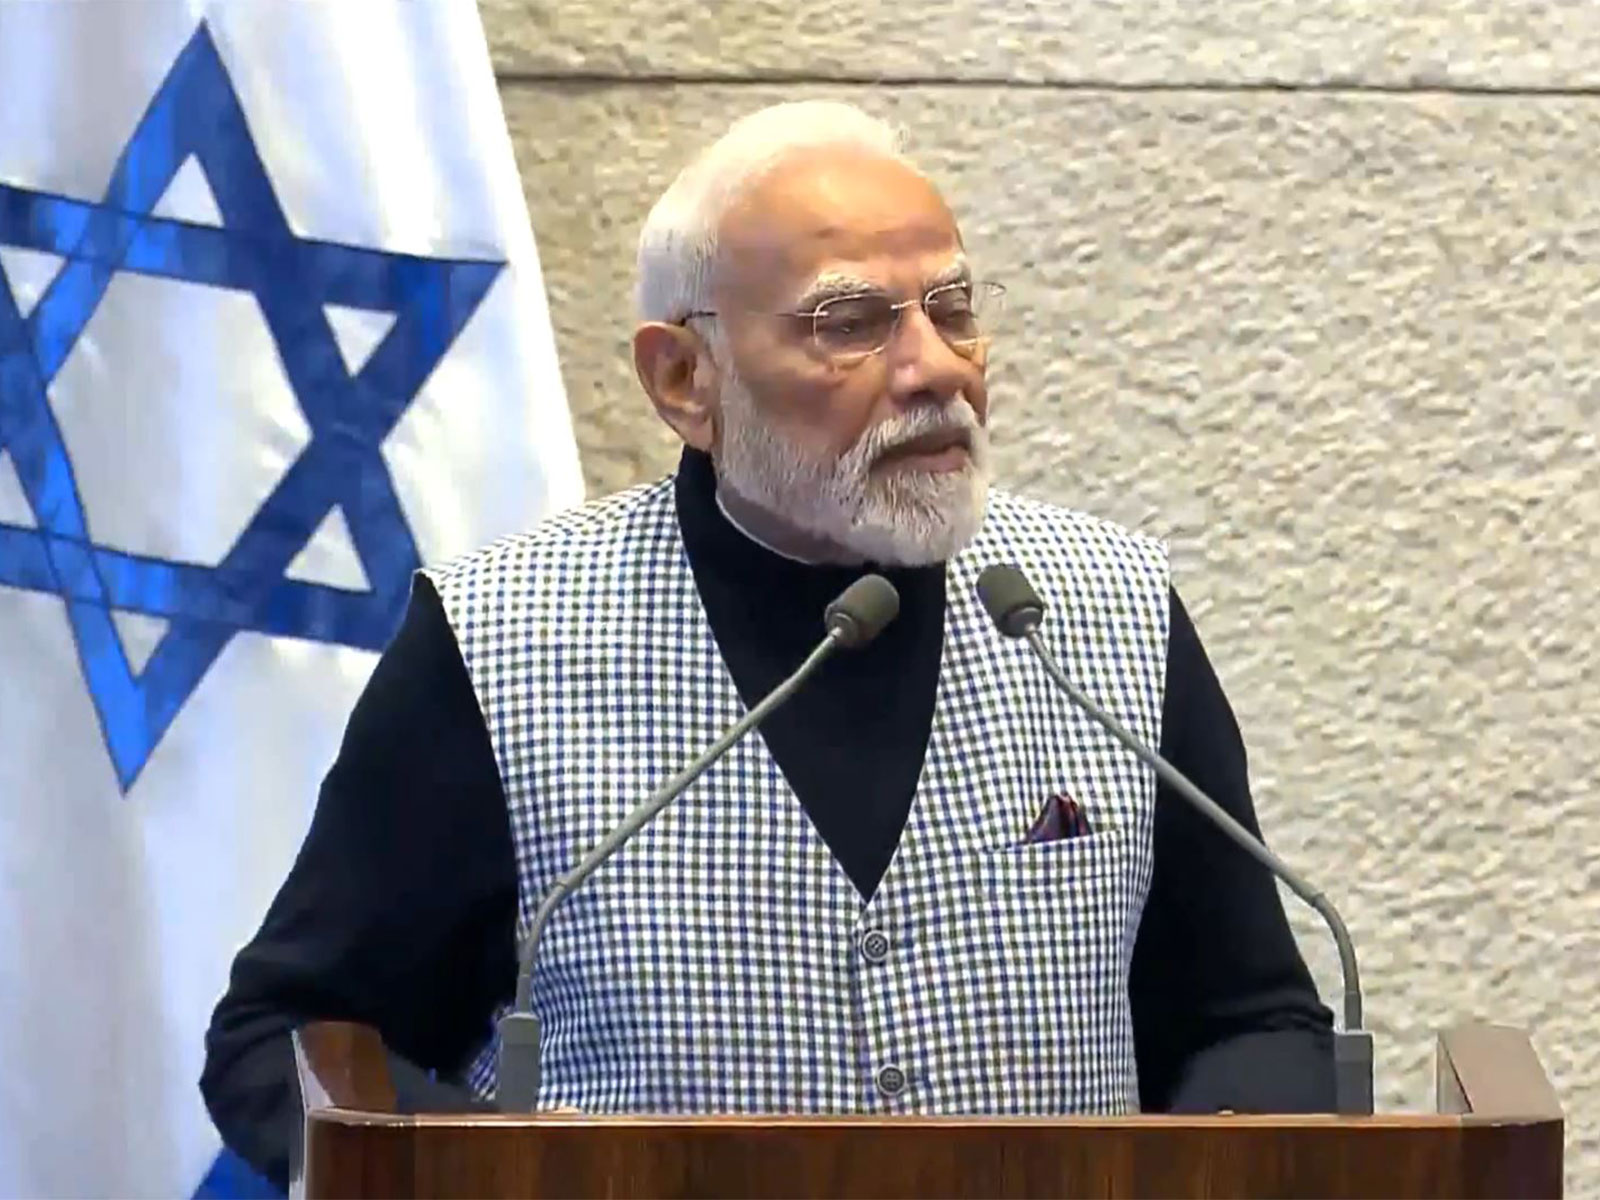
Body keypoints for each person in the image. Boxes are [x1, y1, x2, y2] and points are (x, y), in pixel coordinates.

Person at [202, 100, 1334, 1190]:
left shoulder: (1103, 613)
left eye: (952, 308)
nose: (935, 366)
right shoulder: (501, 637)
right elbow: (283, 1035)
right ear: (684, 379)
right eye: (850, 322)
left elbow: (1248, 1019)